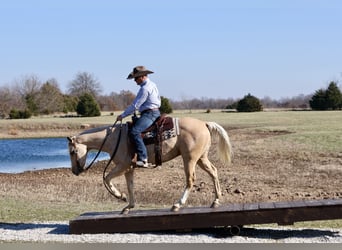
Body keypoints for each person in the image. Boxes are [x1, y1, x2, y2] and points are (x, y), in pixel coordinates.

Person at [116, 66, 161, 167]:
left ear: (142, 77)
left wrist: (122, 115)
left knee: (134, 132)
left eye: (136, 78)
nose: (135, 81)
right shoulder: (152, 84)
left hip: (150, 114)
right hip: (153, 112)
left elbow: (135, 105)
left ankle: (143, 158)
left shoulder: (145, 89)